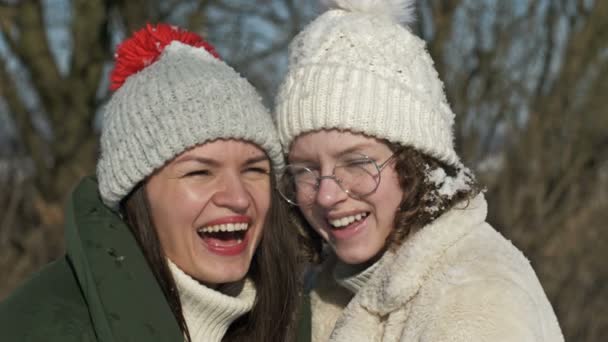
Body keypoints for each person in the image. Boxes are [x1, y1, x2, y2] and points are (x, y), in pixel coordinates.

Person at [275, 1, 564, 341]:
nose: (326, 194)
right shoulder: (328, 288)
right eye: (306, 170)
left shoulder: (477, 297)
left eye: (356, 163)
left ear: (417, 162)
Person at [0, 23, 299, 342]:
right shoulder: (45, 327)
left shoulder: (296, 316)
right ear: (135, 194)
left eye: (254, 170)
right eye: (200, 172)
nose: (238, 198)